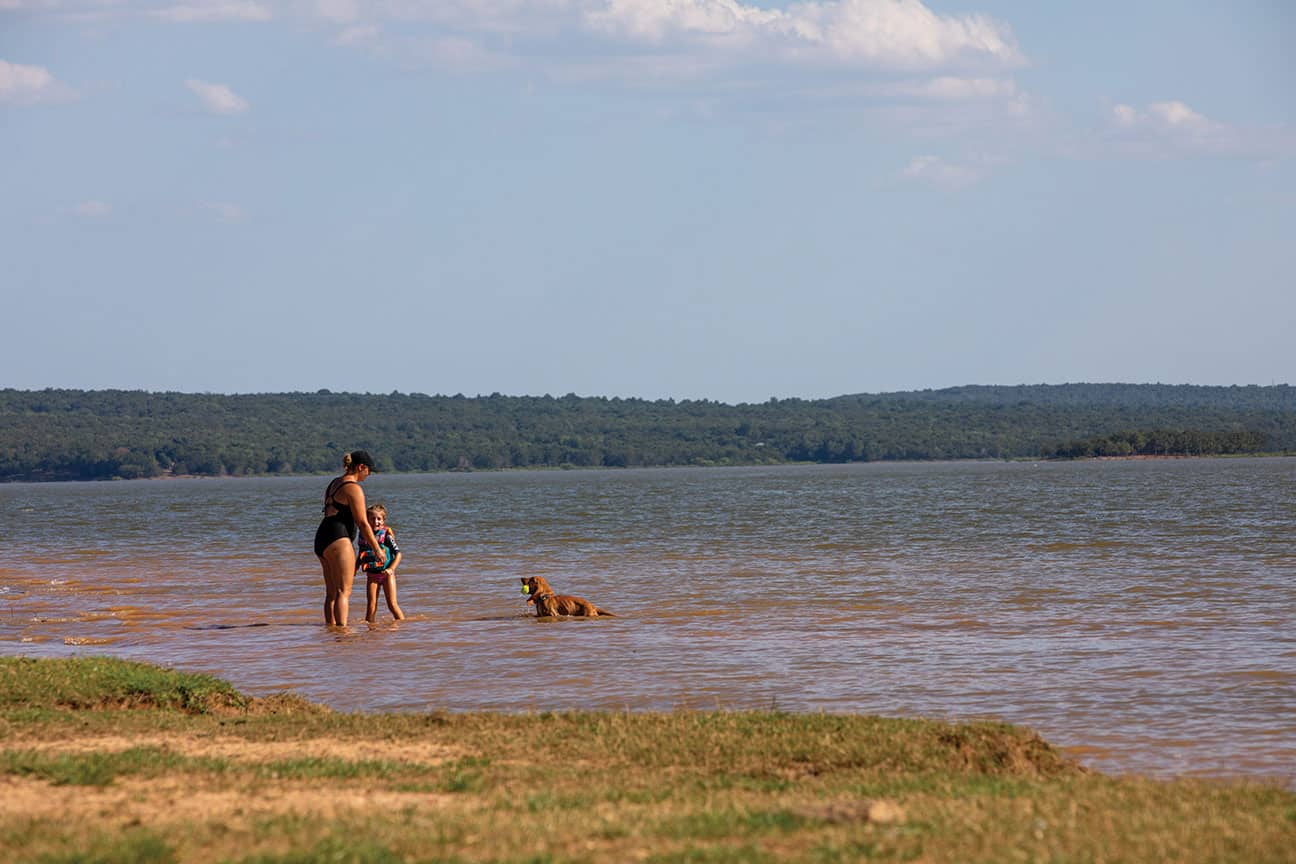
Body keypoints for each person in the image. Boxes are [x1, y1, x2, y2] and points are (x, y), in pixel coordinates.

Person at [313, 450, 382, 627]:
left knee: (331, 593)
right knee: (344, 591)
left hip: (322, 537)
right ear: (361, 467)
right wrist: (377, 549)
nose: (369, 475)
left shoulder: (334, 483)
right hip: (339, 538)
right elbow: (363, 523)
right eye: (369, 471)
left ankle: (331, 631)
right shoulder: (353, 488)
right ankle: (342, 633)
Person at [358, 503, 405, 622]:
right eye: (372, 519)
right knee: (371, 606)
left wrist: (391, 569)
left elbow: (399, 554)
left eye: (379, 519)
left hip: (387, 575)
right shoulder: (364, 536)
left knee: (392, 605)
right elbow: (361, 554)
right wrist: (354, 567)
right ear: (367, 520)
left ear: (383, 521)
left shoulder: (386, 536)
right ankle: (370, 630)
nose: (375, 521)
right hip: (372, 576)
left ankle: (403, 627)